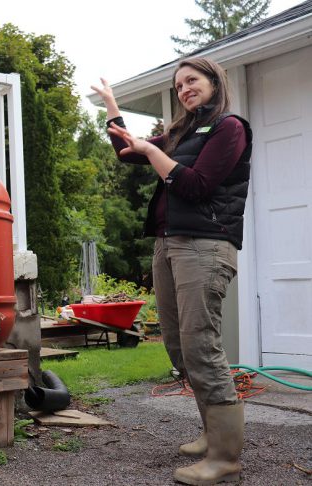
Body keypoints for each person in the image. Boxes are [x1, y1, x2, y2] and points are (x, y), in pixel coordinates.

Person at [92, 57, 252, 486]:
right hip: (168, 244)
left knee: (201, 345)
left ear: (214, 81)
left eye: (192, 80)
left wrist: (153, 151)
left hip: (204, 245)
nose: (184, 89)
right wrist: (111, 107)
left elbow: (196, 185)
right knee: (178, 346)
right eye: (179, 85)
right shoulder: (182, 131)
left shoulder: (228, 128)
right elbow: (130, 153)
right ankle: (210, 433)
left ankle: (225, 459)